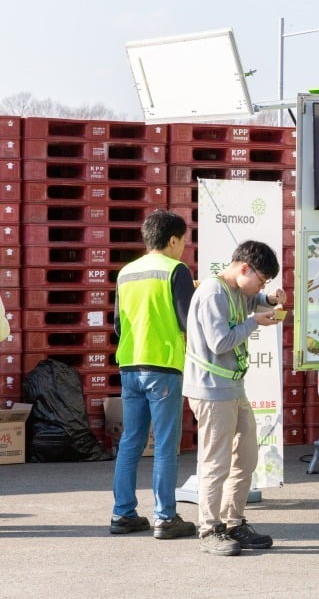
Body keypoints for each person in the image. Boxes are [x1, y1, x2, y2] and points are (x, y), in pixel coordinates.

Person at [184, 240, 284, 556]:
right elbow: (220, 342)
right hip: (212, 391)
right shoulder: (213, 293)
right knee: (216, 462)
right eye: (262, 280)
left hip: (232, 388)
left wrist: (265, 299)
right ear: (244, 268)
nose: (262, 286)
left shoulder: (235, 289)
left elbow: (249, 297)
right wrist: (256, 321)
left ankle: (233, 522)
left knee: (246, 456)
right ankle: (209, 529)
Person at [109, 209, 196, 539]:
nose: (183, 248)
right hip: (163, 367)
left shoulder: (126, 273)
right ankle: (165, 517)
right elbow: (189, 320)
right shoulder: (176, 270)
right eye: (183, 241)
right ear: (173, 240)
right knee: (165, 445)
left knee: (131, 442)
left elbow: (118, 325)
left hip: (130, 365)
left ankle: (123, 513)